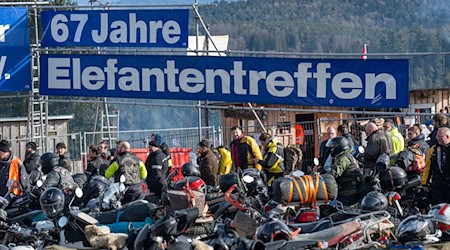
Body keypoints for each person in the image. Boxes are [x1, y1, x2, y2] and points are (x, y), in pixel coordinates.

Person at [325, 137, 361, 206]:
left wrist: (324, 176)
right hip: (348, 191)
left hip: (349, 193)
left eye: (333, 147)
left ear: (340, 146)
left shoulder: (344, 158)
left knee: (337, 211)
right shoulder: (345, 156)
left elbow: (335, 173)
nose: (331, 149)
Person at [361, 122, 392, 195]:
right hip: (386, 167)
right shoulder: (387, 135)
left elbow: (371, 154)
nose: (366, 134)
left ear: (371, 129)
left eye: (367, 132)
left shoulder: (374, 137)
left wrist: (364, 153)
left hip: (374, 169)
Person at [422, 127, 450, 204]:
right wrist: (425, 183)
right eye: (437, 136)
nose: (437, 138)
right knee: (437, 206)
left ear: (447, 137)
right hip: (438, 184)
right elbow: (428, 167)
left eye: (440, 137)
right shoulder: (434, 149)